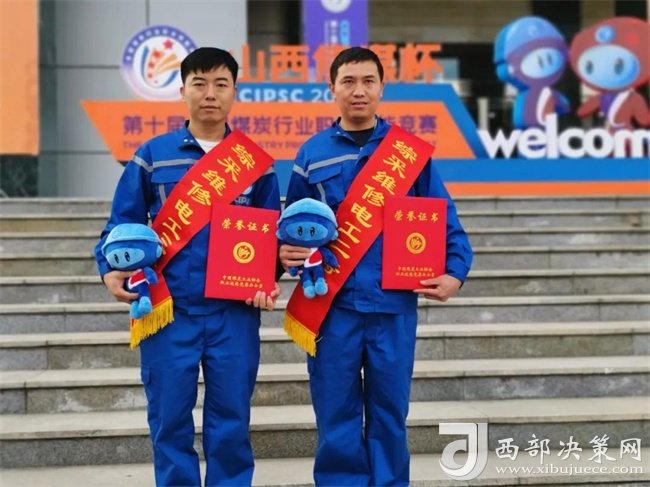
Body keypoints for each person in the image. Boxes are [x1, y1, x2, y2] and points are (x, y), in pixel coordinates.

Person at [279, 47, 473, 486]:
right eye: (348, 81)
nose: (359, 91)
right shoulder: (312, 153)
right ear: (332, 88)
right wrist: (285, 255)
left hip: (392, 305)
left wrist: (455, 272)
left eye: (368, 81)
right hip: (332, 306)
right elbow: (293, 227)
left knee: (389, 412)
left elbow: (444, 218)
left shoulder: (408, 153)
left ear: (382, 88)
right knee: (335, 411)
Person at [94, 47, 281, 486]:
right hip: (168, 310)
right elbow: (120, 226)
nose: (210, 94)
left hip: (234, 313)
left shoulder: (255, 166)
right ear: (182, 91)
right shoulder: (152, 156)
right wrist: (109, 268)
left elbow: (270, 238)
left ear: (235, 92)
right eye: (199, 84)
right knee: (169, 419)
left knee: (231, 420)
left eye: (220, 84)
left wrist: (268, 279)